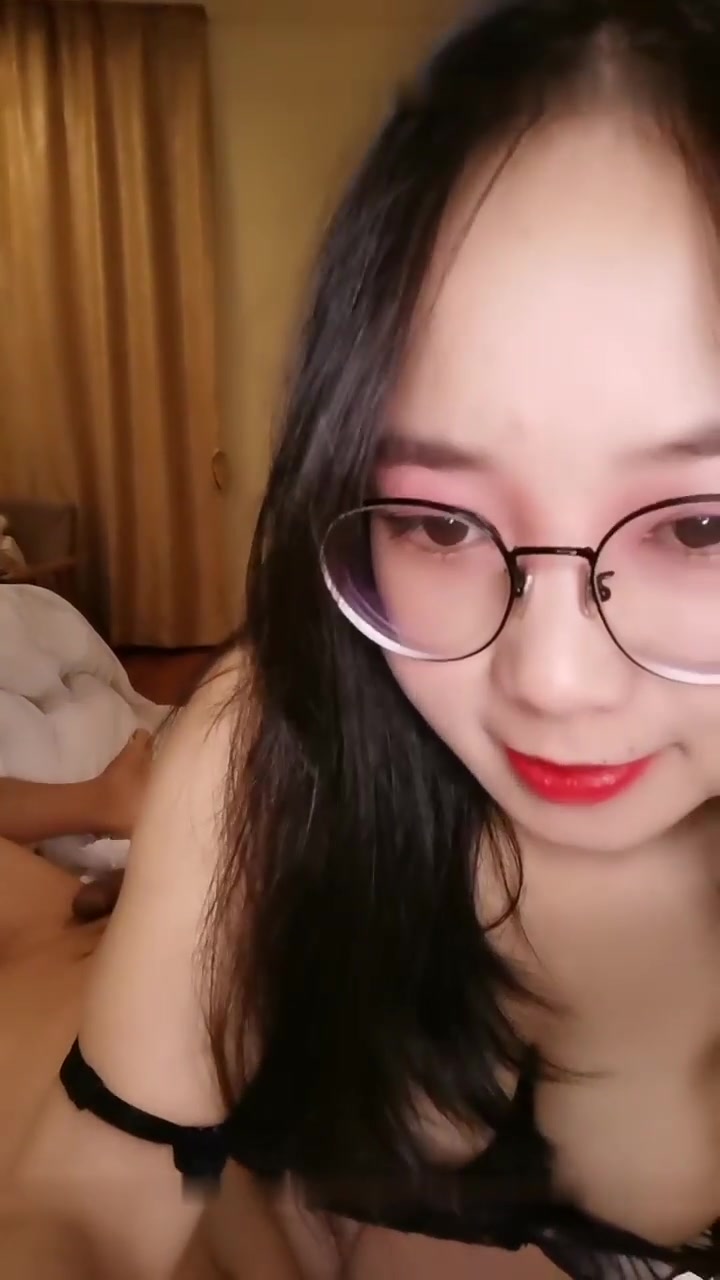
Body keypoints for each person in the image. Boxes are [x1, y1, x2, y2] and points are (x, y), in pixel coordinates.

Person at [3, 2, 720, 1277]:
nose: (551, 680)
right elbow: (95, 1195)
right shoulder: (267, 740)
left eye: (701, 525)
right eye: (439, 522)